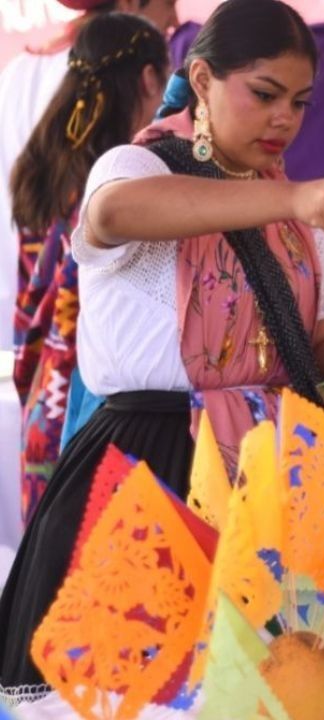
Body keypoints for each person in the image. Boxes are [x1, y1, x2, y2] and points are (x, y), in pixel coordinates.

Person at [0, 0, 324, 699]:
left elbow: (317, 354)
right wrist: (292, 201)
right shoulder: (140, 164)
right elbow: (115, 213)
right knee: (143, 696)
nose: (285, 119)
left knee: (271, 694)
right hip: (151, 470)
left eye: (300, 102)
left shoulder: (293, 211)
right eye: (265, 94)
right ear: (204, 80)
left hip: (265, 479)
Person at [10, 13, 168, 530]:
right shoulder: (123, 183)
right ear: (149, 77)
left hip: (45, 391)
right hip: (92, 408)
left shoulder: (43, 163)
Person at [1, 0, 179, 354]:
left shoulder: (19, 71)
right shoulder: (123, 175)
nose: (174, 20)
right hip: (90, 344)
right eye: (168, 4)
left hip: (30, 322)